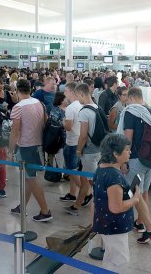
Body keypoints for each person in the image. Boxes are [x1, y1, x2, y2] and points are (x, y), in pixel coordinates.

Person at [117, 87, 151, 243]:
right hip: (150, 158)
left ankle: (150, 229)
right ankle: (141, 223)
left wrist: (123, 161)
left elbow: (127, 138)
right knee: (143, 193)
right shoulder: (150, 112)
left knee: (135, 194)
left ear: (130, 98)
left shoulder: (131, 112)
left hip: (135, 158)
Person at [92, 134, 139, 272]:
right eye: (126, 150)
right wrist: (135, 199)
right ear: (115, 154)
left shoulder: (101, 168)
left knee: (110, 258)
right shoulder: (113, 176)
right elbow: (116, 207)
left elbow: (96, 200)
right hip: (114, 227)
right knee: (120, 261)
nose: (129, 152)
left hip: (105, 224)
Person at [8, 79, 53, 222]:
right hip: (38, 145)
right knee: (28, 178)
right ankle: (22, 206)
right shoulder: (38, 103)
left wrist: (10, 151)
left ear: (17, 91)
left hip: (26, 147)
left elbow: (14, 132)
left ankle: (45, 211)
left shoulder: (18, 107)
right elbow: (45, 122)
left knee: (31, 179)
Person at [60, 82, 92, 212]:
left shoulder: (70, 108)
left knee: (71, 172)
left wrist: (63, 122)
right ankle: (73, 193)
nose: (64, 94)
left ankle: (87, 193)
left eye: (66, 91)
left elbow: (68, 126)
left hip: (72, 142)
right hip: (81, 142)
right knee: (76, 170)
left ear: (73, 93)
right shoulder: (83, 105)